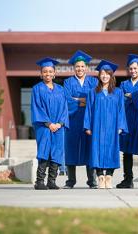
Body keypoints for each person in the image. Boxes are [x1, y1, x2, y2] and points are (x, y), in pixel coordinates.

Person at [84, 60, 128, 189]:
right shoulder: (93, 92)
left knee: (111, 150)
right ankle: (100, 177)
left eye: (107, 74)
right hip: (97, 126)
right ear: (99, 75)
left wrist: (121, 126)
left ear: (111, 75)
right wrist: (87, 126)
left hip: (112, 127)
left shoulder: (118, 92)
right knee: (96, 150)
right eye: (102, 73)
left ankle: (109, 177)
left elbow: (121, 110)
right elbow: (89, 110)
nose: (104, 76)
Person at [31, 57, 69, 190]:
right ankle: (39, 182)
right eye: (45, 72)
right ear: (41, 74)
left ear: (54, 73)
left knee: (57, 152)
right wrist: (48, 123)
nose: (47, 74)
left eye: (50, 71)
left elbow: (65, 108)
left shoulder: (60, 89)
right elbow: (37, 108)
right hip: (44, 127)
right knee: (44, 151)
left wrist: (60, 123)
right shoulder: (37, 89)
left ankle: (51, 181)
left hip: (58, 127)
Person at [64, 50, 98, 189]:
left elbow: (95, 99)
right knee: (71, 149)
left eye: (82, 66)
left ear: (87, 67)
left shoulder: (94, 81)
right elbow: (67, 100)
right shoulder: (68, 82)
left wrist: (77, 100)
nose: (80, 69)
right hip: (72, 121)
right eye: (77, 66)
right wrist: (84, 101)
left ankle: (92, 181)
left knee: (89, 149)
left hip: (88, 121)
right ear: (74, 68)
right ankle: (70, 181)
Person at [117, 54, 138, 189]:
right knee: (127, 151)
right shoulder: (124, 84)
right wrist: (137, 95)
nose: (133, 71)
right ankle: (128, 180)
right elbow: (121, 101)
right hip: (127, 121)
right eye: (130, 69)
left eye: (135, 68)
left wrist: (131, 96)